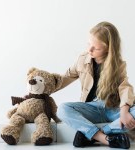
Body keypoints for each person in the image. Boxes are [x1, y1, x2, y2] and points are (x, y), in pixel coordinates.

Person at [57, 21, 135, 149]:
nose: (89, 50)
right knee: (63, 109)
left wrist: (124, 111)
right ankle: (104, 138)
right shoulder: (82, 59)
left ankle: (93, 135)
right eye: (89, 44)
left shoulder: (118, 65)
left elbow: (125, 87)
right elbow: (64, 78)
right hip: (91, 107)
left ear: (108, 49)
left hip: (113, 108)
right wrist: (41, 90)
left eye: (96, 48)